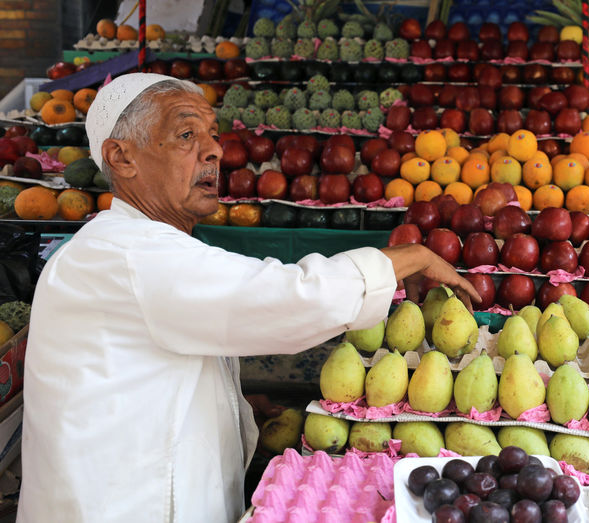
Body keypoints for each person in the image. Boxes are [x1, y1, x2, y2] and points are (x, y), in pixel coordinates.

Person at [18, 73, 479, 522]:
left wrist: (227, 407)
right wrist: (407, 257)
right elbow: (293, 299)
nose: (215, 150)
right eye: (185, 134)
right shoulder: (128, 254)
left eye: (213, 135)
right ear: (121, 158)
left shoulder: (137, 248)